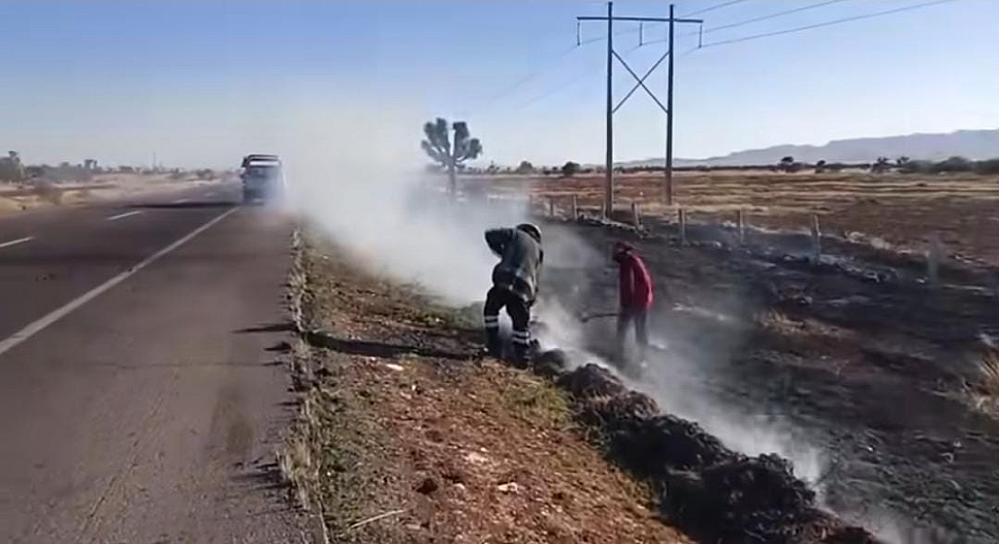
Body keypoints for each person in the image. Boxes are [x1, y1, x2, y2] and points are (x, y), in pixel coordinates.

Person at [483, 223, 544, 364]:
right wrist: (530, 302)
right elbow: (536, 278)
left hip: (504, 279)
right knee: (520, 323)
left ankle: (494, 345)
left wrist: (501, 253)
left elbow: (490, 235)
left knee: (491, 309)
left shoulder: (515, 234)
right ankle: (522, 357)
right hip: (524, 289)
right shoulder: (539, 251)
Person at [613, 241, 654, 363]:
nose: (613, 254)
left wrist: (625, 307)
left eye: (615, 251)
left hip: (637, 301)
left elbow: (628, 286)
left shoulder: (628, 264)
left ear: (622, 252)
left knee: (623, 328)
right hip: (642, 300)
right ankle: (642, 359)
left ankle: (620, 356)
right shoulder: (632, 261)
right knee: (640, 330)